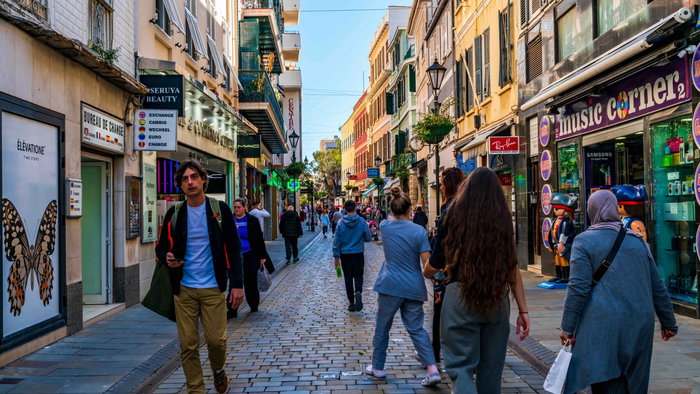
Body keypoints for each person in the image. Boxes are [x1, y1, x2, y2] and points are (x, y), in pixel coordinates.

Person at [559, 190, 677, 393]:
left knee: (606, 379)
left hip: (604, 323)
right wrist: (668, 322)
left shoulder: (583, 241)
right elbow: (657, 286)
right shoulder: (637, 240)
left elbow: (578, 288)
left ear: (591, 210)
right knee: (635, 383)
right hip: (640, 323)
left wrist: (567, 327)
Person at [425, 167, 529, 393]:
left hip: (459, 295)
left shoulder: (452, 215)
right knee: (491, 372)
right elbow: (512, 267)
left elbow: (434, 263)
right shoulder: (502, 220)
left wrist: (428, 271)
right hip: (496, 298)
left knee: (460, 368)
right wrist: (523, 310)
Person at [155, 160, 244, 394]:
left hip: (213, 287)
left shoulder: (219, 209)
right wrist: (168, 256)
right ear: (180, 186)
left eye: (194, 177)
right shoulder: (175, 213)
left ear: (204, 180)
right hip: (183, 288)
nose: (190, 182)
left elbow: (234, 249)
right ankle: (196, 389)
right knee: (188, 345)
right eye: (185, 179)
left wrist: (237, 284)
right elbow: (161, 247)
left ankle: (217, 369)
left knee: (216, 341)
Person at [366, 187, 441, 387]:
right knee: (417, 329)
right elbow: (426, 261)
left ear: (391, 208)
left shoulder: (384, 226)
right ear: (410, 210)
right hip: (413, 286)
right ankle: (432, 368)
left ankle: (378, 367)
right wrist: (435, 280)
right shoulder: (418, 231)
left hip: (389, 284)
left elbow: (388, 225)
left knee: (383, 327)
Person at [423, 167, 465, 364]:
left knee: (440, 313)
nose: (439, 187)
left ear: (448, 185)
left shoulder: (449, 208)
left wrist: (430, 267)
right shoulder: (468, 205)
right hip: (465, 269)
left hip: (447, 270)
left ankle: (437, 351)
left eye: (441, 183)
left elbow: (442, 243)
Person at [229, 199, 275, 319]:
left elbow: (259, 240)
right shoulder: (230, 220)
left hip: (249, 254)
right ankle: (232, 310)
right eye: (235, 207)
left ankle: (253, 305)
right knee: (234, 282)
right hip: (234, 256)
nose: (236, 209)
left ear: (244, 207)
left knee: (250, 282)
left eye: (239, 207)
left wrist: (262, 256)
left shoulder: (252, 220)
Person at [333, 200, 372, 311]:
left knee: (348, 278)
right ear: (355, 208)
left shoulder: (340, 223)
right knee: (358, 275)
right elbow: (368, 238)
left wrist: (336, 256)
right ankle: (358, 290)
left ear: (344, 209)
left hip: (345, 254)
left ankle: (351, 302)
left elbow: (336, 241)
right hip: (358, 253)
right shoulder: (362, 221)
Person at [547, 193, 577, 283]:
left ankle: (566, 276)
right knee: (557, 261)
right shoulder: (556, 220)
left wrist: (561, 243)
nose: (555, 211)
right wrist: (550, 244)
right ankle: (558, 275)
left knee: (564, 260)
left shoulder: (566, 222)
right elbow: (551, 233)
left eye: (556, 209)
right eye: (554, 209)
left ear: (566, 211)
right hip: (556, 246)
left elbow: (564, 234)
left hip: (563, 246)